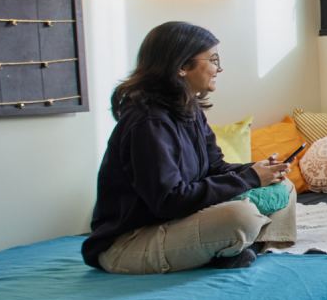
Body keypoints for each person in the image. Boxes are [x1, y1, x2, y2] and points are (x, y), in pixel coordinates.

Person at [82, 21, 292, 275]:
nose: (219, 68)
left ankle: (239, 248)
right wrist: (249, 178)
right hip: (130, 242)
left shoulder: (189, 109)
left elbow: (215, 168)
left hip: (174, 223)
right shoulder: (147, 122)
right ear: (181, 66)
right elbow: (169, 201)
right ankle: (233, 246)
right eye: (213, 59)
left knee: (283, 186)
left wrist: (259, 170)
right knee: (240, 216)